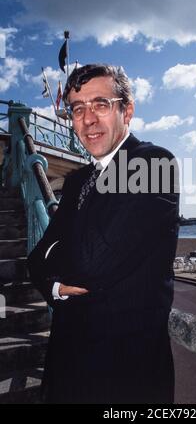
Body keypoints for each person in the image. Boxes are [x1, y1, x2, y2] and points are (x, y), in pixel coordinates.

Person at [27, 63, 180, 404]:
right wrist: (53, 281)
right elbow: (36, 260)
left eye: (101, 104)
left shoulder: (152, 163)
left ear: (127, 110)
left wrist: (58, 255)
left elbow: (91, 263)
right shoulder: (77, 180)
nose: (88, 119)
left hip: (125, 375)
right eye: (78, 109)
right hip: (67, 364)